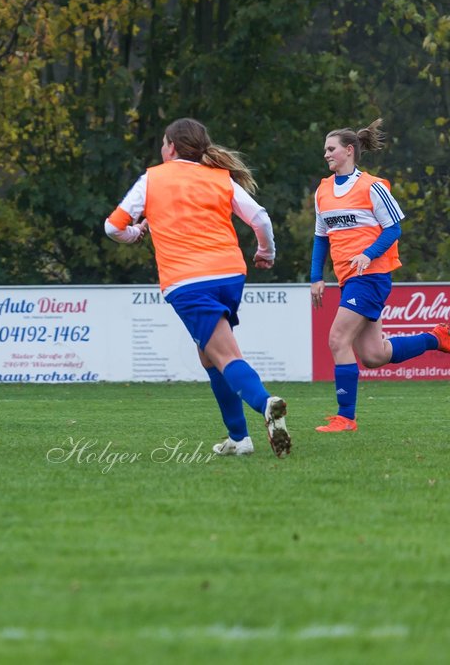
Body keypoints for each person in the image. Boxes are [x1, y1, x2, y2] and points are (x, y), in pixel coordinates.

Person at [105, 118, 291, 457]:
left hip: (188, 280)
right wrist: (266, 252)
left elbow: (112, 227)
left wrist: (134, 234)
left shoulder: (153, 178)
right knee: (208, 357)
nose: (162, 149)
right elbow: (260, 218)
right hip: (230, 275)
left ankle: (267, 404)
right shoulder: (220, 178)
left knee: (224, 354)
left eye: (164, 143)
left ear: (172, 147)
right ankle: (239, 438)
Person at [310, 119, 450, 432]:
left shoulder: (372, 186)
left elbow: (394, 228)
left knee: (337, 338)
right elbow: (321, 237)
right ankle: (437, 337)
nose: (326, 155)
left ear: (349, 151)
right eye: (325, 150)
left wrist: (368, 254)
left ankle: (345, 417)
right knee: (375, 355)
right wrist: (315, 276)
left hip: (371, 276)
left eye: (331, 149)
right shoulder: (322, 192)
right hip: (348, 279)